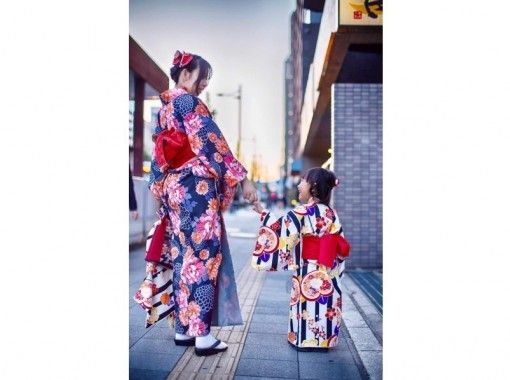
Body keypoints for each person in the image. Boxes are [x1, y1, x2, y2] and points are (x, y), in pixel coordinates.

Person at [133, 50, 258, 356]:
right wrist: (243, 178)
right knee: (203, 256)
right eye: (203, 77)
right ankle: (202, 335)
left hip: (175, 190)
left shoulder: (164, 108)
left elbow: (160, 160)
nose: (204, 84)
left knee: (182, 258)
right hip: (195, 188)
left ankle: (182, 330)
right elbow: (210, 142)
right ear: (186, 74)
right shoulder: (188, 102)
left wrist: (159, 188)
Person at [251, 167, 350, 351]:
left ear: (312, 187)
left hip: (307, 270)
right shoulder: (332, 214)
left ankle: (304, 340)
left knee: (307, 305)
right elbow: (341, 246)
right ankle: (324, 341)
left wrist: (262, 213)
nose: (298, 185)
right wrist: (338, 271)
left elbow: (280, 230)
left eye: (302, 181)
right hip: (329, 270)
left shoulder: (302, 212)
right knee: (325, 305)